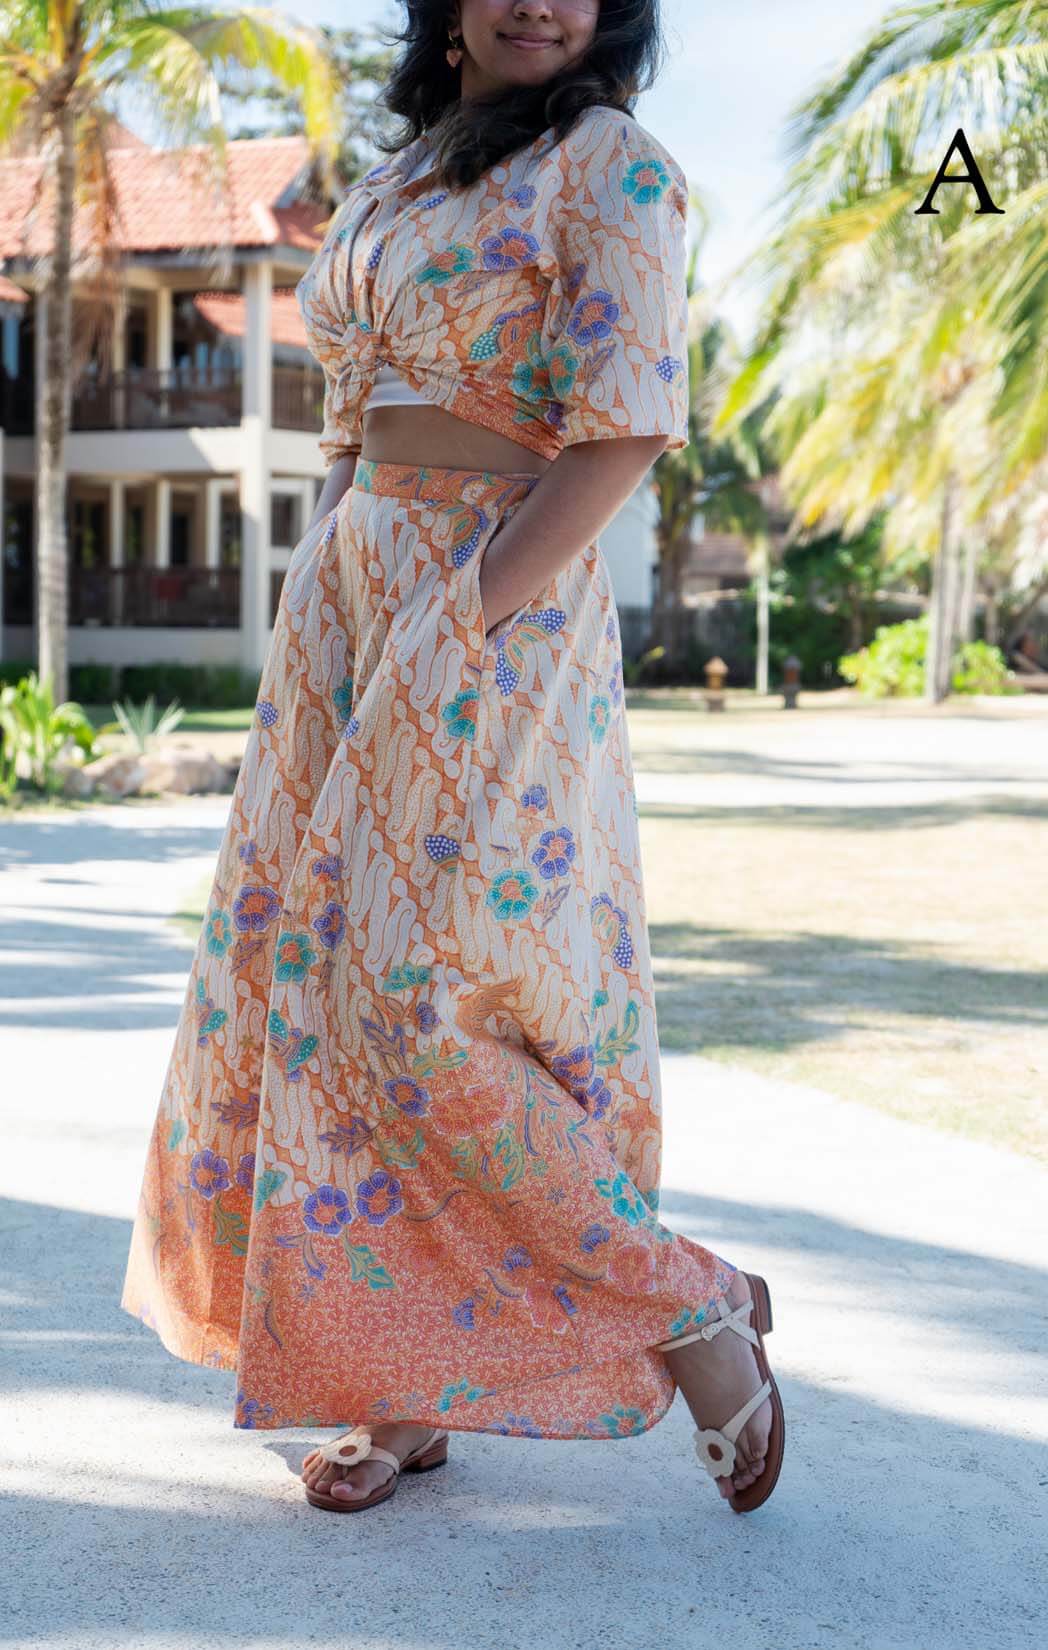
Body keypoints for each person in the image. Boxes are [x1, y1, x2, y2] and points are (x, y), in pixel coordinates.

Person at [120, 0, 783, 1517]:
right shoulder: (397, 179)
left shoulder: (609, 165)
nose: (540, 2)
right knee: (308, 979)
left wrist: (464, 611)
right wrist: (328, 581)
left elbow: (624, 431)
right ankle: (399, 1391)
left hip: (501, 600)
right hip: (355, 594)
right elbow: (354, 421)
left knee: (426, 1002)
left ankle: (689, 1305)